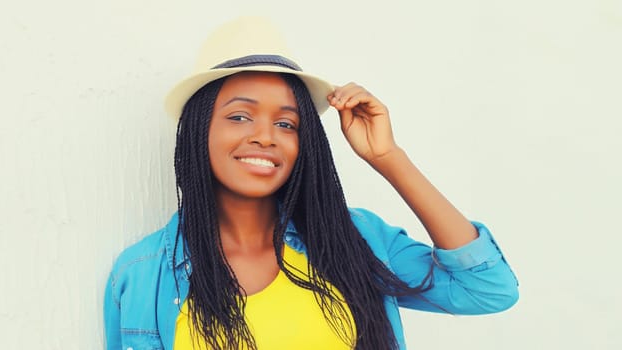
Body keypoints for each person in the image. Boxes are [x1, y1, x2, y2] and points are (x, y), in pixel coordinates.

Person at [103, 17, 519, 350]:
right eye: (240, 116)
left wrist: (388, 158)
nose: (266, 136)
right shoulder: (141, 275)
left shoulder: (353, 240)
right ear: (199, 130)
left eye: (286, 123)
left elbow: (487, 289)